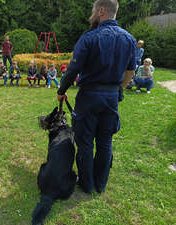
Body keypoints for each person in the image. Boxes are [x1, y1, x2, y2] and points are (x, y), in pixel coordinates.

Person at [57, 0, 136, 194]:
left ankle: (87, 184)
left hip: (89, 97)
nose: (91, 14)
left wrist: (61, 91)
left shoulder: (89, 37)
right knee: (105, 141)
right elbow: (130, 72)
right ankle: (100, 185)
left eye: (93, 11)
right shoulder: (129, 39)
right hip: (111, 98)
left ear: (101, 10)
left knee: (85, 142)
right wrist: (117, 90)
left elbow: (73, 68)